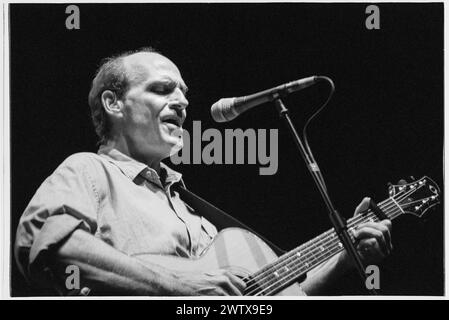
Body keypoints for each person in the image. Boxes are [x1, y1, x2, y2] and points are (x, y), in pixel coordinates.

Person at [14, 47, 392, 296]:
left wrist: (344, 256)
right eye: (162, 90)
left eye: (183, 93)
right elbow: (52, 248)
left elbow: (272, 297)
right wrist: (183, 288)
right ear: (113, 103)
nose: (181, 101)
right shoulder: (89, 170)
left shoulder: (196, 215)